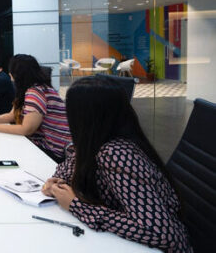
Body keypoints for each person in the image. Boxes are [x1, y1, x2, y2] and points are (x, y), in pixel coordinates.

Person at [41, 77, 191, 252]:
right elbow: (74, 161)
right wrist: (58, 180)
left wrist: (77, 206)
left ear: (85, 118)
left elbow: (162, 234)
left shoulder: (116, 153)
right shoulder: (95, 141)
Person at [0, 54, 71, 162]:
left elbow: (27, 129)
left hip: (52, 149)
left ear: (18, 74)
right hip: (42, 144)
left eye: (11, 71)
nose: (9, 74)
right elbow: (12, 115)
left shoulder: (35, 92)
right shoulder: (28, 89)